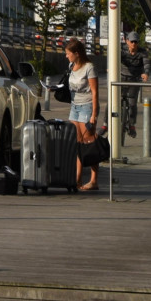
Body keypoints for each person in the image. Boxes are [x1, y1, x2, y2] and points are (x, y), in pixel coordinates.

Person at [65, 38, 100, 192]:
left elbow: (94, 91)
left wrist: (94, 114)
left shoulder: (89, 68)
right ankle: (77, 179)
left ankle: (94, 180)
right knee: (77, 143)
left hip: (86, 106)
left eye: (68, 53)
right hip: (74, 106)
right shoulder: (71, 66)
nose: (66, 56)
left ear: (76, 53)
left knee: (89, 143)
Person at [119, 33, 147, 137]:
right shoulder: (122, 50)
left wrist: (146, 73)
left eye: (136, 42)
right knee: (113, 101)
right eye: (132, 41)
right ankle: (105, 125)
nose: (134, 44)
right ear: (127, 41)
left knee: (132, 103)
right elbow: (115, 58)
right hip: (121, 78)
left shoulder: (142, 52)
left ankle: (132, 125)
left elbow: (146, 63)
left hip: (134, 79)